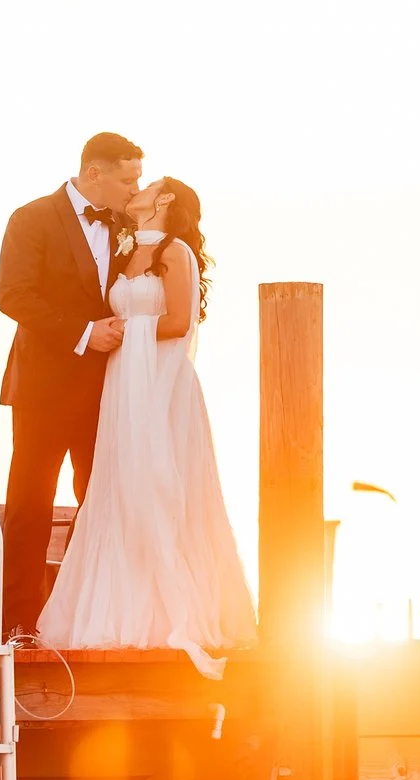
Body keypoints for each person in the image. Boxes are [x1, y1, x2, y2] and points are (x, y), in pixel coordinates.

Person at [33, 175, 257, 675]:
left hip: (160, 384)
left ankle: (166, 611)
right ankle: (116, 602)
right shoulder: (127, 248)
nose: (136, 186)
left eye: (147, 182)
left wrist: (124, 330)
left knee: (159, 482)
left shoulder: (174, 253)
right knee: (119, 485)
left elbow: (179, 322)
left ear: (165, 199)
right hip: (122, 385)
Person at [0, 132, 144, 639]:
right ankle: (19, 622)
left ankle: (82, 614)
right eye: (128, 179)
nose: (135, 188)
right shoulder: (31, 218)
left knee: (101, 500)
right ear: (94, 173)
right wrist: (84, 333)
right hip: (42, 387)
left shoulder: (129, 226)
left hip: (107, 390)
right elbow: (13, 295)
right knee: (30, 505)